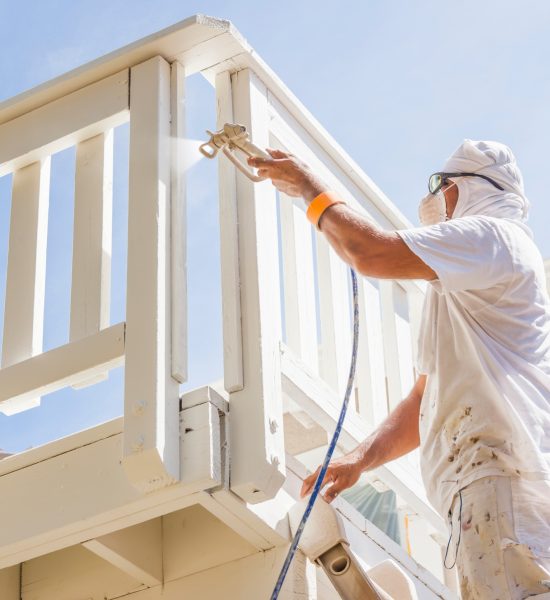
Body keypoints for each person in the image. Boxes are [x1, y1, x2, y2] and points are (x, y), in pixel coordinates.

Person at [249, 140, 550, 599]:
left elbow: (368, 252)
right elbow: (423, 400)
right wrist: (360, 460)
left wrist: (309, 187)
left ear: (467, 189)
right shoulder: (458, 291)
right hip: (485, 488)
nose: (432, 198)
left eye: (440, 185)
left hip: (503, 481)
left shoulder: (494, 236)